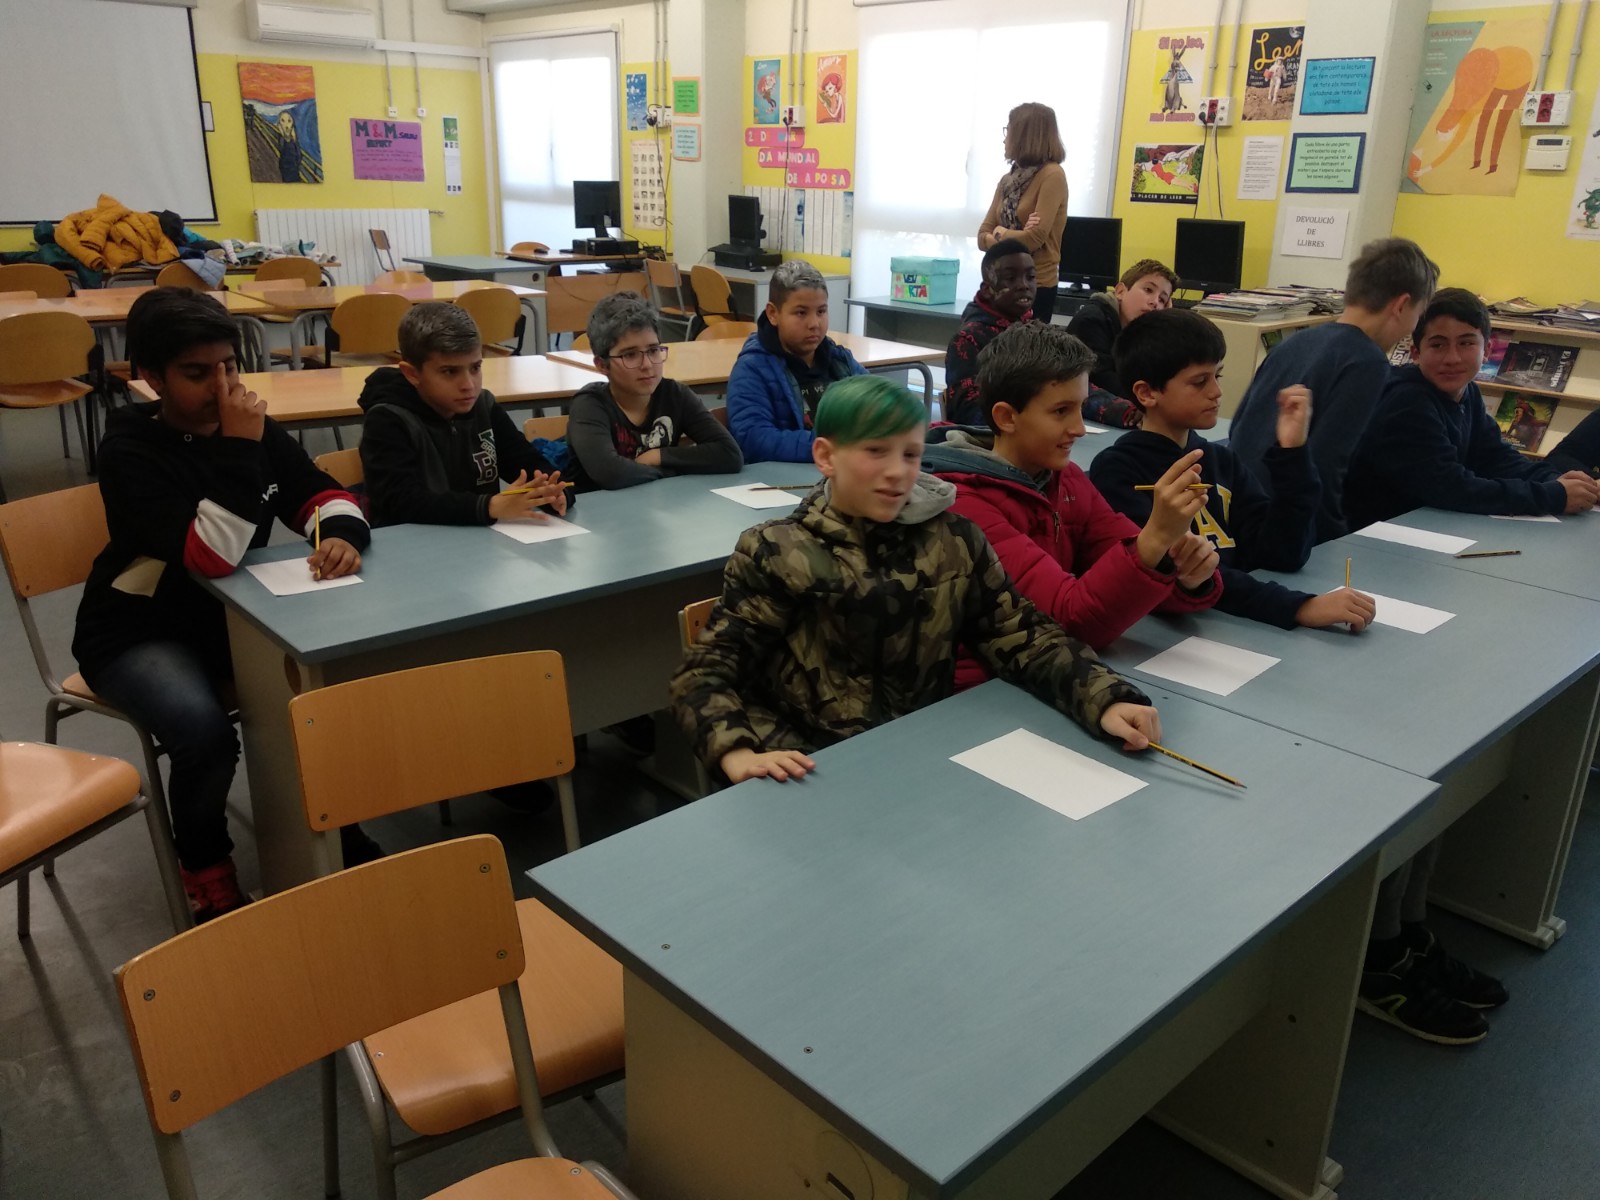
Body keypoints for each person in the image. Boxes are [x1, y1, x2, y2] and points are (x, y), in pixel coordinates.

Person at [669, 375, 1162, 785]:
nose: (896, 472)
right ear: (825, 456)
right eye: (875, 452)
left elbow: (1024, 637)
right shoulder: (778, 550)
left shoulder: (954, 540)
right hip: (812, 768)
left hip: (920, 757)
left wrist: (1105, 698)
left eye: (909, 455)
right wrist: (736, 753)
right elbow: (706, 673)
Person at [71, 288, 372, 922]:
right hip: (138, 628)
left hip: (232, 618)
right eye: (197, 372)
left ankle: (335, 830)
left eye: (230, 366)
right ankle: (205, 867)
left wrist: (339, 534)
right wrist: (237, 449)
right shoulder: (130, 452)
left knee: (321, 697)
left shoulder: (251, 430)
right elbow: (209, 555)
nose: (223, 387)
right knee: (204, 734)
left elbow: (322, 494)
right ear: (150, 377)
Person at [923, 321, 1220, 669]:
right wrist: (1155, 538)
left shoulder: (1066, 480)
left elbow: (1132, 573)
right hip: (980, 688)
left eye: (1081, 407)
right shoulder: (962, 504)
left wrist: (1188, 573)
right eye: (1061, 411)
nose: (1079, 428)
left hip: (1040, 673)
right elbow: (1065, 622)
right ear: (1006, 417)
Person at [1089, 309, 1377, 634]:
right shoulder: (1118, 472)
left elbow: (1284, 553)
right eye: (1200, 381)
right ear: (1147, 393)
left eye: (1218, 376)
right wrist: (1297, 607)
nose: (1216, 391)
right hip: (1180, 633)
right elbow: (1175, 578)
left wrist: (1293, 452)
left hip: (1233, 624)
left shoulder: (1222, 461)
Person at [1227, 238, 1439, 543]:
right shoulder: (1367, 361)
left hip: (1237, 511)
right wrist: (1336, 542)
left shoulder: (1295, 342)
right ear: (1402, 305)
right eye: (1418, 315)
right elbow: (1325, 465)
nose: (1412, 327)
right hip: (1285, 526)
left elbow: (1239, 428)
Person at [1343, 288, 1600, 528]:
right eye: (1437, 345)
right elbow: (1449, 487)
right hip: (1375, 536)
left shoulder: (1468, 392)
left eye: (1466, 343)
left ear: (1487, 350)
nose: (1452, 358)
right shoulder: (1405, 401)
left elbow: (1497, 458)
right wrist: (1553, 495)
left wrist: (1558, 480)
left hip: (1431, 524)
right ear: (1416, 353)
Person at [358, 302, 569, 527]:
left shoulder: (483, 405)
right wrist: (487, 507)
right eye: (450, 371)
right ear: (412, 374)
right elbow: (401, 501)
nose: (469, 385)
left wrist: (552, 490)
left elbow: (525, 461)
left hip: (480, 539)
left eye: (475, 368)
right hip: (411, 541)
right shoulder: (387, 419)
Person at [566, 291, 743, 491]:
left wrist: (659, 456)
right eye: (630, 355)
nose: (647, 365)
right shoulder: (590, 405)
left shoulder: (674, 394)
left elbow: (730, 454)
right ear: (602, 365)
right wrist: (670, 472)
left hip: (659, 503)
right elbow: (610, 474)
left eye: (653, 350)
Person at [725, 260, 865, 463]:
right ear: (773, 314)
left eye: (821, 311)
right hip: (783, 477)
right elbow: (753, 439)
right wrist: (834, 448)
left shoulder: (840, 360)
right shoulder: (752, 368)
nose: (814, 324)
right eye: (801, 313)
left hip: (839, 468)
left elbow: (880, 406)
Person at [978, 102, 1068, 323]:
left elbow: (1034, 239)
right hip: (1000, 284)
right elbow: (981, 236)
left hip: (1034, 287)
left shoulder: (1052, 175)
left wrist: (1000, 232)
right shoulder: (1008, 180)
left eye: (1008, 130)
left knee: (1025, 345)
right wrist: (1012, 235)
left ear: (1024, 135)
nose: (1004, 139)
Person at [1065, 257, 1178, 427]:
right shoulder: (1091, 320)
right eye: (1148, 290)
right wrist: (1149, 401)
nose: (1155, 302)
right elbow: (1100, 378)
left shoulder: (1139, 330)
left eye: (1162, 300)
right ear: (1120, 291)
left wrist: (1165, 324)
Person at [942, 238, 1034, 426]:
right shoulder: (968, 340)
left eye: (1031, 277)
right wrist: (1026, 423)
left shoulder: (1036, 332)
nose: (1024, 285)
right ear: (986, 290)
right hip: (996, 437)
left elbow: (1071, 383)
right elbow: (967, 411)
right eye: (1010, 278)